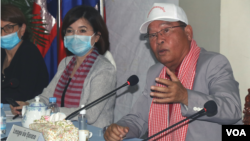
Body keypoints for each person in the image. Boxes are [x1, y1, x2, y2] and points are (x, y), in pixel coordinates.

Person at [104, 3, 242, 141]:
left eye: (166, 30)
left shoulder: (213, 64)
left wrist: (186, 97)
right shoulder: (155, 73)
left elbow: (232, 109)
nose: (159, 39)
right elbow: (139, 118)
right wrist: (120, 129)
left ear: (188, 33)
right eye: (152, 35)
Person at [11, 5, 116, 128]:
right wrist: (28, 105)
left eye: (82, 30)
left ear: (97, 37)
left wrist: (45, 112)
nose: (75, 35)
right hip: (59, 130)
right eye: (70, 31)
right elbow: (46, 97)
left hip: (91, 134)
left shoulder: (104, 69)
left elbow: (90, 114)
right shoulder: (66, 63)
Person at [0, 4, 49, 103]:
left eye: (8, 27)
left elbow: (23, 95)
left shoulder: (29, 52)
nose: (3, 34)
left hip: (30, 112)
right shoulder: (1, 51)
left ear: (22, 29)